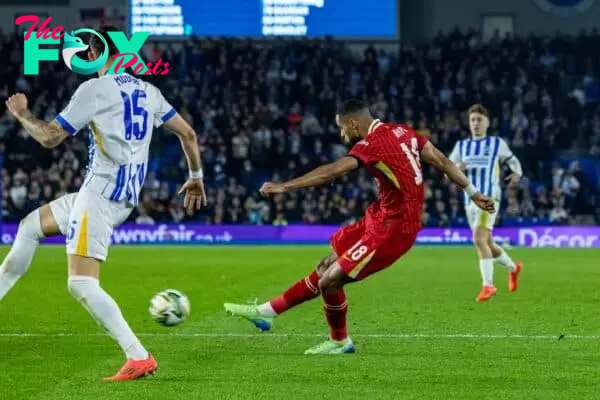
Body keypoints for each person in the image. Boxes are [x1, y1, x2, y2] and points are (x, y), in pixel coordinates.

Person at [1, 26, 207, 380]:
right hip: (121, 197)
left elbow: (50, 138)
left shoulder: (94, 89)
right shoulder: (149, 91)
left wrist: (21, 113)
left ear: (93, 54)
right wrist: (196, 176)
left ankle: (138, 356)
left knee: (80, 284)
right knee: (30, 227)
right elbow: (188, 133)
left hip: (100, 195)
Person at [224, 99, 495, 354]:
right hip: (379, 217)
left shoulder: (373, 144)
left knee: (330, 280)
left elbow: (333, 171)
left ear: (353, 124)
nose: (343, 136)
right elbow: (443, 161)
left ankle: (339, 341)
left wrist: (285, 186)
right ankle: (266, 313)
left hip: (395, 229)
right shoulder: (403, 131)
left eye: (342, 129)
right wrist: (473, 192)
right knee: (325, 266)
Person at [449, 104, 523, 302]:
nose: (475, 123)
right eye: (472, 120)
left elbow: (513, 161)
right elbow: (447, 169)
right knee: (488, 243)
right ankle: (513, 268)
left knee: (479, 239)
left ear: (488, 123)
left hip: (490, 198)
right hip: (469, 200)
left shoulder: (496, 143)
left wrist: (516, 174)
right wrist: (458, 168)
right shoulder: (462, 147)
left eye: (479, 120)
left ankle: (488, 285)